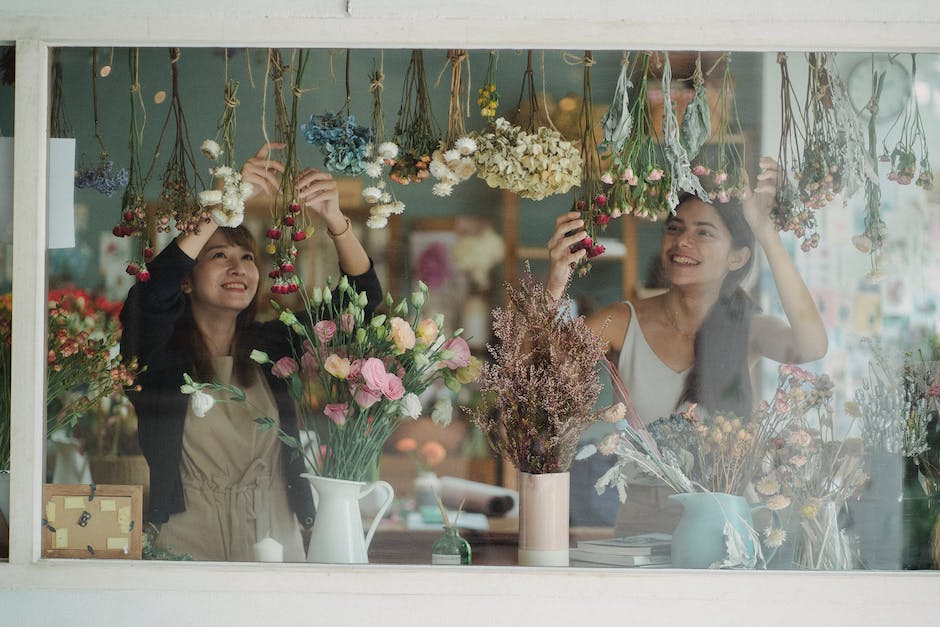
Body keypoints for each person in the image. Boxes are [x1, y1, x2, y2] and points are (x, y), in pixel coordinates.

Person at [120, 143, 383, 561]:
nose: (238, 267)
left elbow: (361, 306)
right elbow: (150, 296)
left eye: (247, 257)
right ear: (186, 281)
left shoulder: (273, 346)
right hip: (187, 532)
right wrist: (227, 204)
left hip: (275, 531)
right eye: (218, 256)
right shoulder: (158, 355)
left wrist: (335, 220)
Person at [547, 157, 828, 534]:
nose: (682, 241)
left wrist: (766, 233)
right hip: (641, 522)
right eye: (675, 228)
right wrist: (556, 280)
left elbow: (811, 346)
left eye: (703, 233)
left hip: (723, 521)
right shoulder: (621, 321)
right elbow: (541, 366)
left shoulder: (749, 329)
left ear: (738, 257)